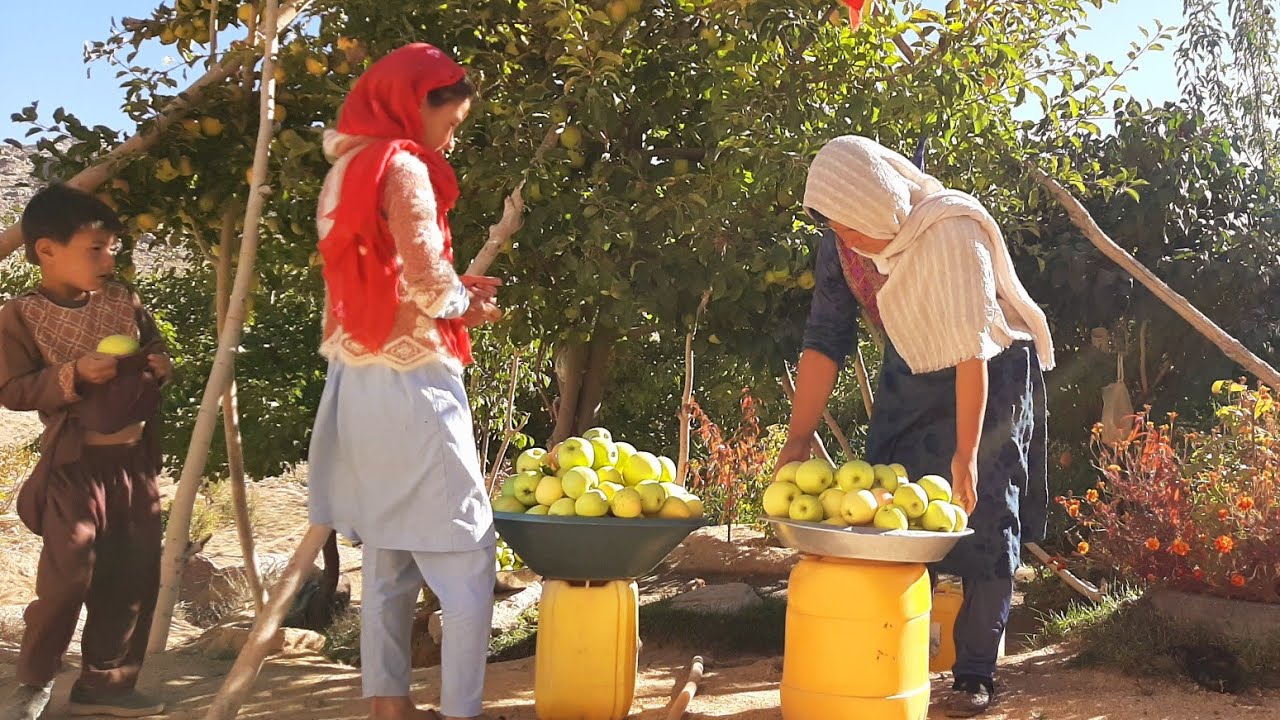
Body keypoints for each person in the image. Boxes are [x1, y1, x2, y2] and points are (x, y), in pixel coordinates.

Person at [778, 136, 1052, 717]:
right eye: (834, 226)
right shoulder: (842, 249)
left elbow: (972, 351)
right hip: (912, 359)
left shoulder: (951, 231)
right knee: (883, 495)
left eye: (849, 225)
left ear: (877, 206)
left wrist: (967, 453)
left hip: (992, 365)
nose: (842, 238)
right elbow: (825, 341)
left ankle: (975, 670)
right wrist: (798, 439)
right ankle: (885, 648)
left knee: (983, 509)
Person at [306, 43, 503, 720]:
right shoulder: (404, 167)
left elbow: (380, 278)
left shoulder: (345, 169)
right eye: (449, 122)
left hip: (355, 380)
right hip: (412, 380)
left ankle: (387, 703)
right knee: (468, 558)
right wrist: (467, 303)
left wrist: (450, 291)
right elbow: (423, 280)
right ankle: (461, 711)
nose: (451, 137)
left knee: (389, 554)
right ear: (417, 103)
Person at [0, 184, 172, 720]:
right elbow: (11, 389)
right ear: (47, 250)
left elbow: (156, 349)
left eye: (112, 247)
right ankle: (33, 683)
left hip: (133, 466)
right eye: (94, 248)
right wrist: (71, 375)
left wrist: (162, 367)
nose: (108, 259)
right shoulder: (19, 315)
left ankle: (108, 685)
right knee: (67, 578)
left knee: (133, 574)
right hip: (74, 467)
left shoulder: (124, 301)